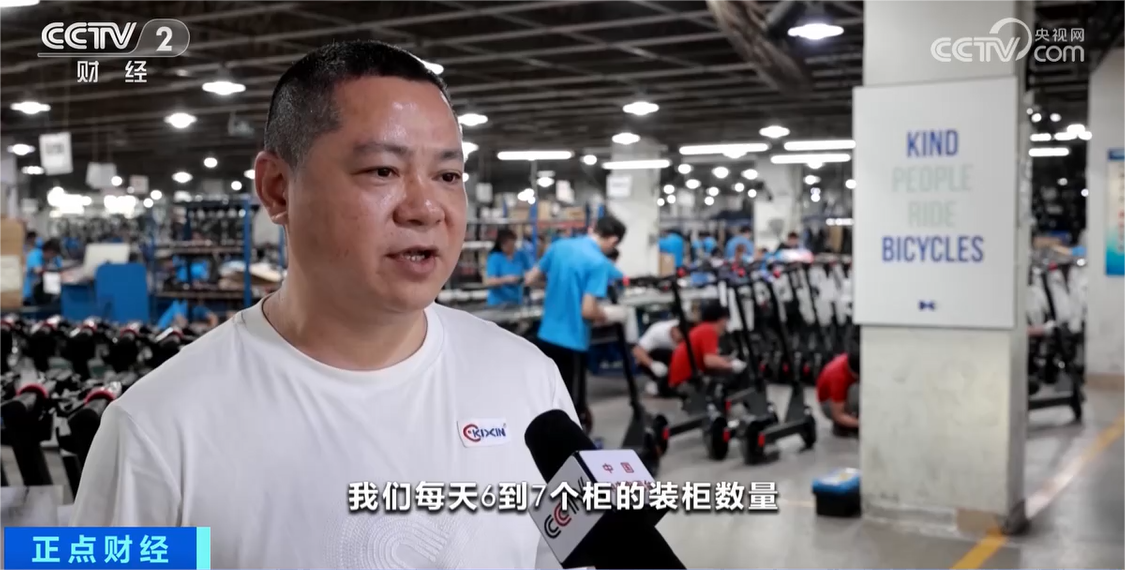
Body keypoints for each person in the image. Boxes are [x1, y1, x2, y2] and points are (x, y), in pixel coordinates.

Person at [72, 40, 576, 569]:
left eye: (448, 176)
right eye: (382, 170)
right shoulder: (158, 431)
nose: (427, 208)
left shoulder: (527, 381)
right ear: (277, 189)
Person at [524, 215, 627, 430]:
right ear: (614, 240)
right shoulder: (598, 262)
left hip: (545, 335)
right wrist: (607, 314)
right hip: (572, 341)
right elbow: (588, 310)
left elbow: (530, 279)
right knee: (569, 405)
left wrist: (558, 287)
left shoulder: (559, 246)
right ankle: (567, 448)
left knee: (546, 398)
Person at [667, 302, 746, 389]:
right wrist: (732, 366)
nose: (726, 325)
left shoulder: (702, 328)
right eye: (726, 320)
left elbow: (708, 358)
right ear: (721, 320)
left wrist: (726, 360)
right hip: (685, 382)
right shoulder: (708, 331)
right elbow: (709, 361)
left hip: (680, 380)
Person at [632, 319, 684, 397]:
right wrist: (652, 364)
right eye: (678, 340)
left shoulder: (687, 331)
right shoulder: (657, 331)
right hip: (659, 357)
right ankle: (661, 384)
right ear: (673, 329)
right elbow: (637, 351)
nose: (678, 342)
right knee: (640, 360)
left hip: (678, 357)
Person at [816, 350, 860, 437]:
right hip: (829, 405)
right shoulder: (838, 377)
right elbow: (838, 415)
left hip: (839, 397)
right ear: (854, 373)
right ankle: (843, 425)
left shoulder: (852, 359)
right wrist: (863, 424)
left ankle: (851, 421)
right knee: (860, 392)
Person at [484, 228, 530, 306]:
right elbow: (490, 281)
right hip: (498, 303)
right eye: (508, 245)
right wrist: (506, 280)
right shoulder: (495, 258)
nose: (511, 248)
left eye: (513, 245)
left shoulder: (521, 256)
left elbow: (531, 272)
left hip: (516, 301)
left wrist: (523, 278)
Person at [24, 237, 62, 305]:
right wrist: (49, 270)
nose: (52, 257)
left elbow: (60, 271)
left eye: (55, 255)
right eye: (52, 254)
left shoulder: (56, 258)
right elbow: (37, 270)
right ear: (46, 250)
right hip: (31, 295)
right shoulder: (35, 255)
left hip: (49, 295)